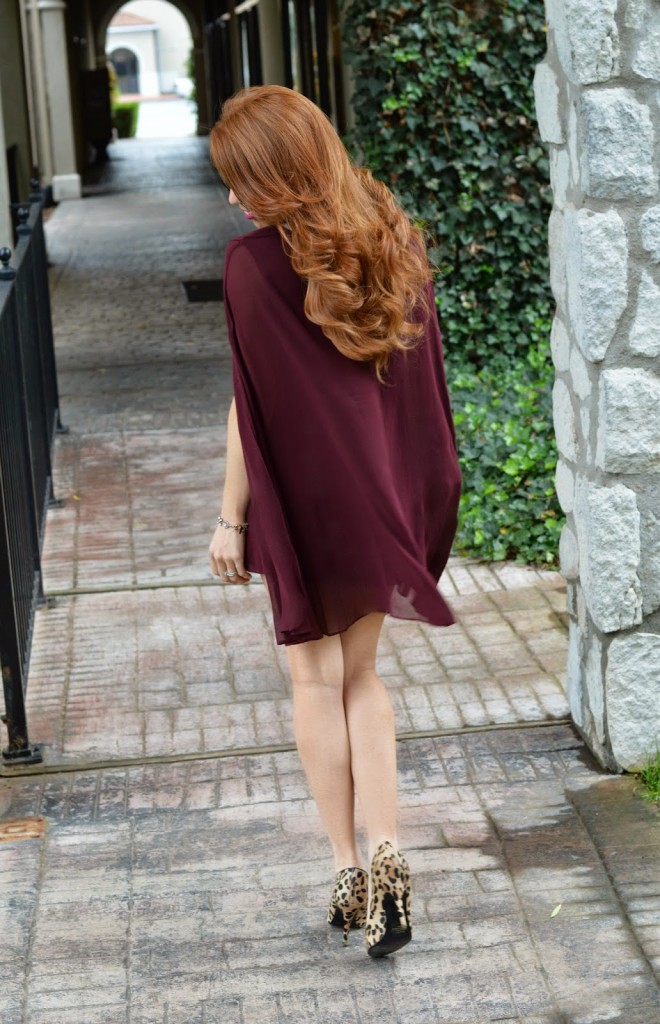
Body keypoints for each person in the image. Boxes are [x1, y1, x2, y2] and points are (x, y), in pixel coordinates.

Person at [208, 85, 461, 959]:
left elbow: (248, 406)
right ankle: (391, 861)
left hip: (300, 501)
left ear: (278, 171)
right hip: (375, 497)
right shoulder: (392, 242)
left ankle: (348, 870)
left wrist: (230, 519)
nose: (233, 197)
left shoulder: (250, 266)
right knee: (362, 677)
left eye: (241, 178)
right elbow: (422, 392)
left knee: (313, 682)